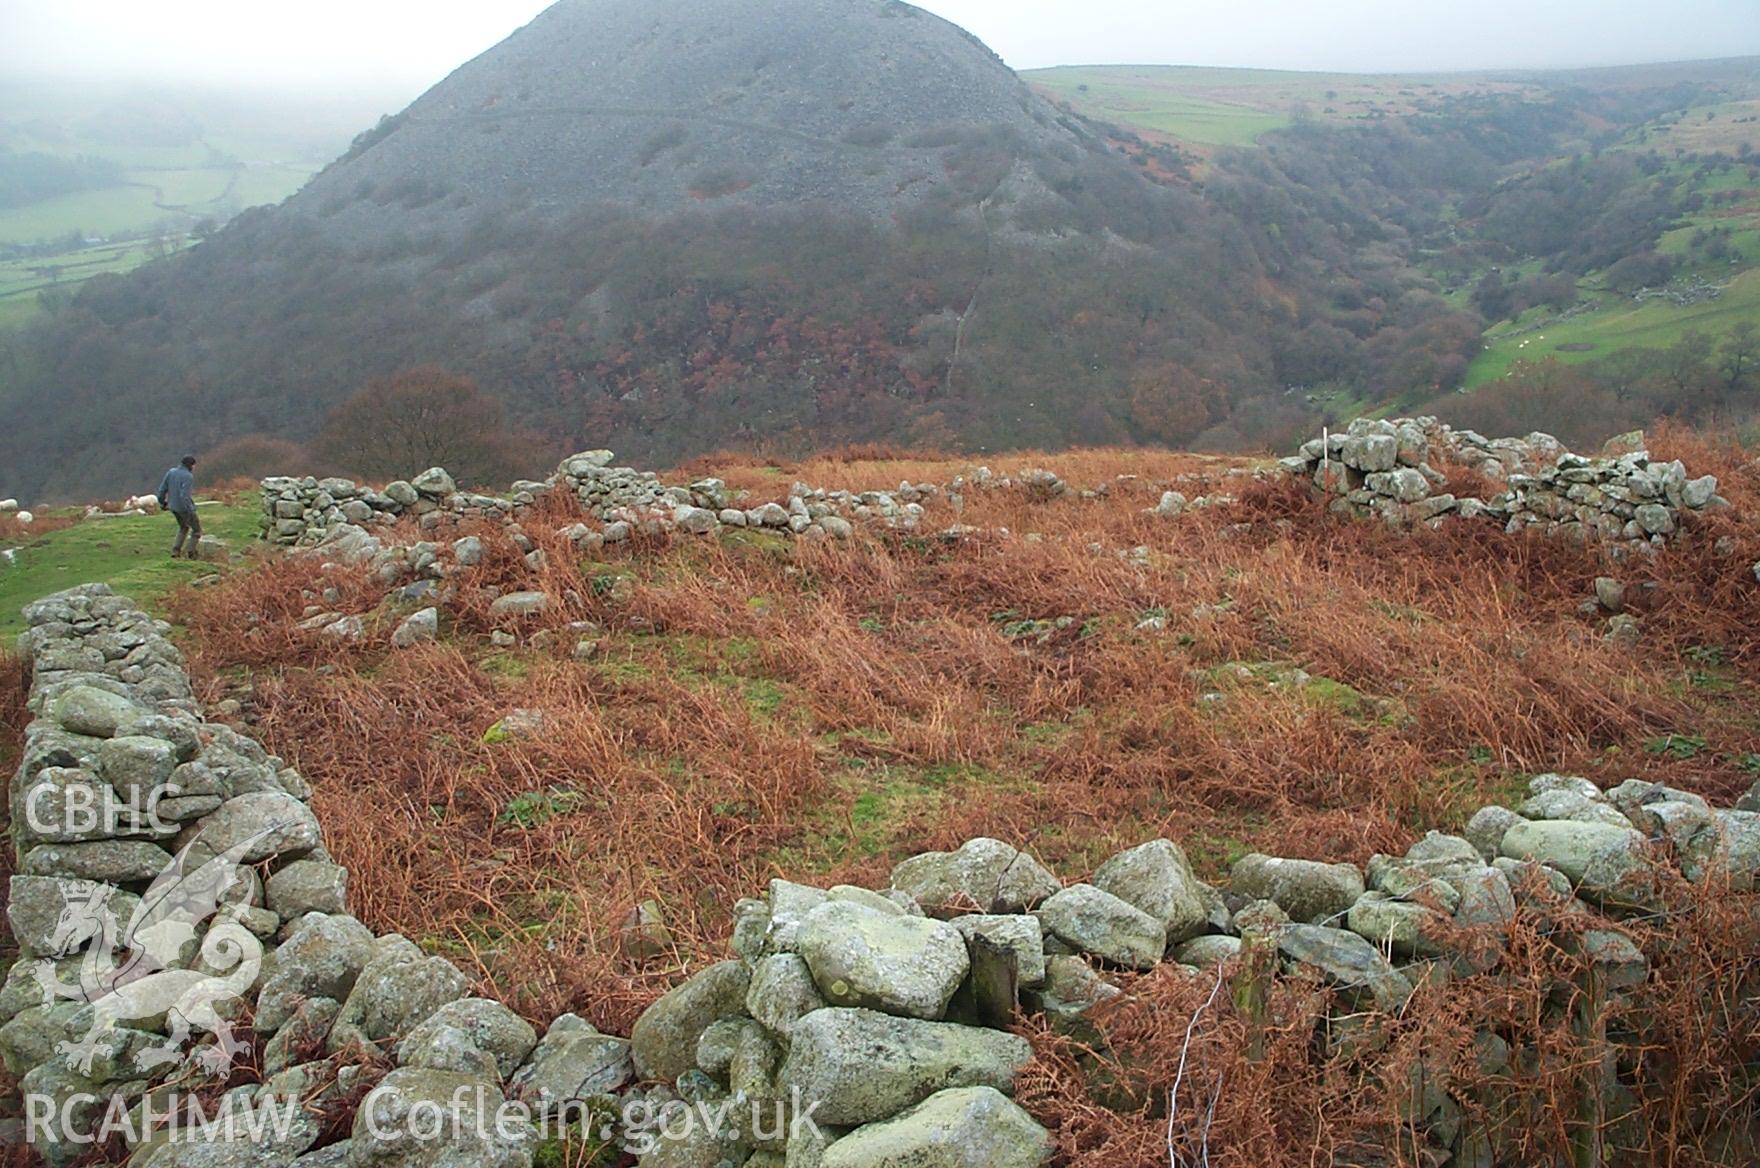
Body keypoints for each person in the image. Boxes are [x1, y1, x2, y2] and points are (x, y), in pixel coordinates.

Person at [156, 455, 202, 559]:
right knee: (196, 530)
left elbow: (162, 489)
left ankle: (175, 551)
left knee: (183, 527)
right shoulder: (188, 476)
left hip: (173, 507)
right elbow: (184, 495)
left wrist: (162, 502)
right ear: (190, 465)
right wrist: (190, 510)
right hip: (184, 508)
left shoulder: (171, 472)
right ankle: (191, 552)